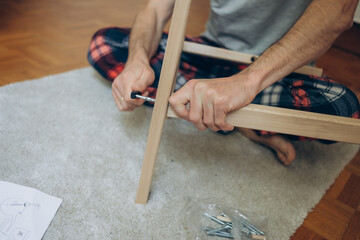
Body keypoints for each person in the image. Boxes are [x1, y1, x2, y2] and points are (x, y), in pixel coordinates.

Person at [88, 0, 360, 165]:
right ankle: (237, 118)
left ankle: (218, 108)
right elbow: (156, 10)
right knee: (105, 44)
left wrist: (246, 82)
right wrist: (138, 60)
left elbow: (337, 12)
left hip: (275, 70)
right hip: (209, 53)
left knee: (343, 107)